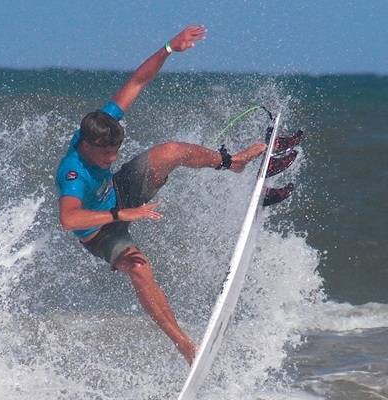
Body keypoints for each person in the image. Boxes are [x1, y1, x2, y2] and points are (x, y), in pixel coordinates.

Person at [56, 25, 298, 365]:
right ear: (87, 145)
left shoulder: (102, 124)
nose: (113, 158)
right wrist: (119, 216)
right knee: (139, 268)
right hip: (98, 230)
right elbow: (68, 219)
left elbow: (137, 81)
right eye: (106, 154)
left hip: (119, 194)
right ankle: (185, 346)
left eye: (117, 151)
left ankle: (235, 162)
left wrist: (169, 48)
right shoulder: (73, 173)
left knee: (170, 151)